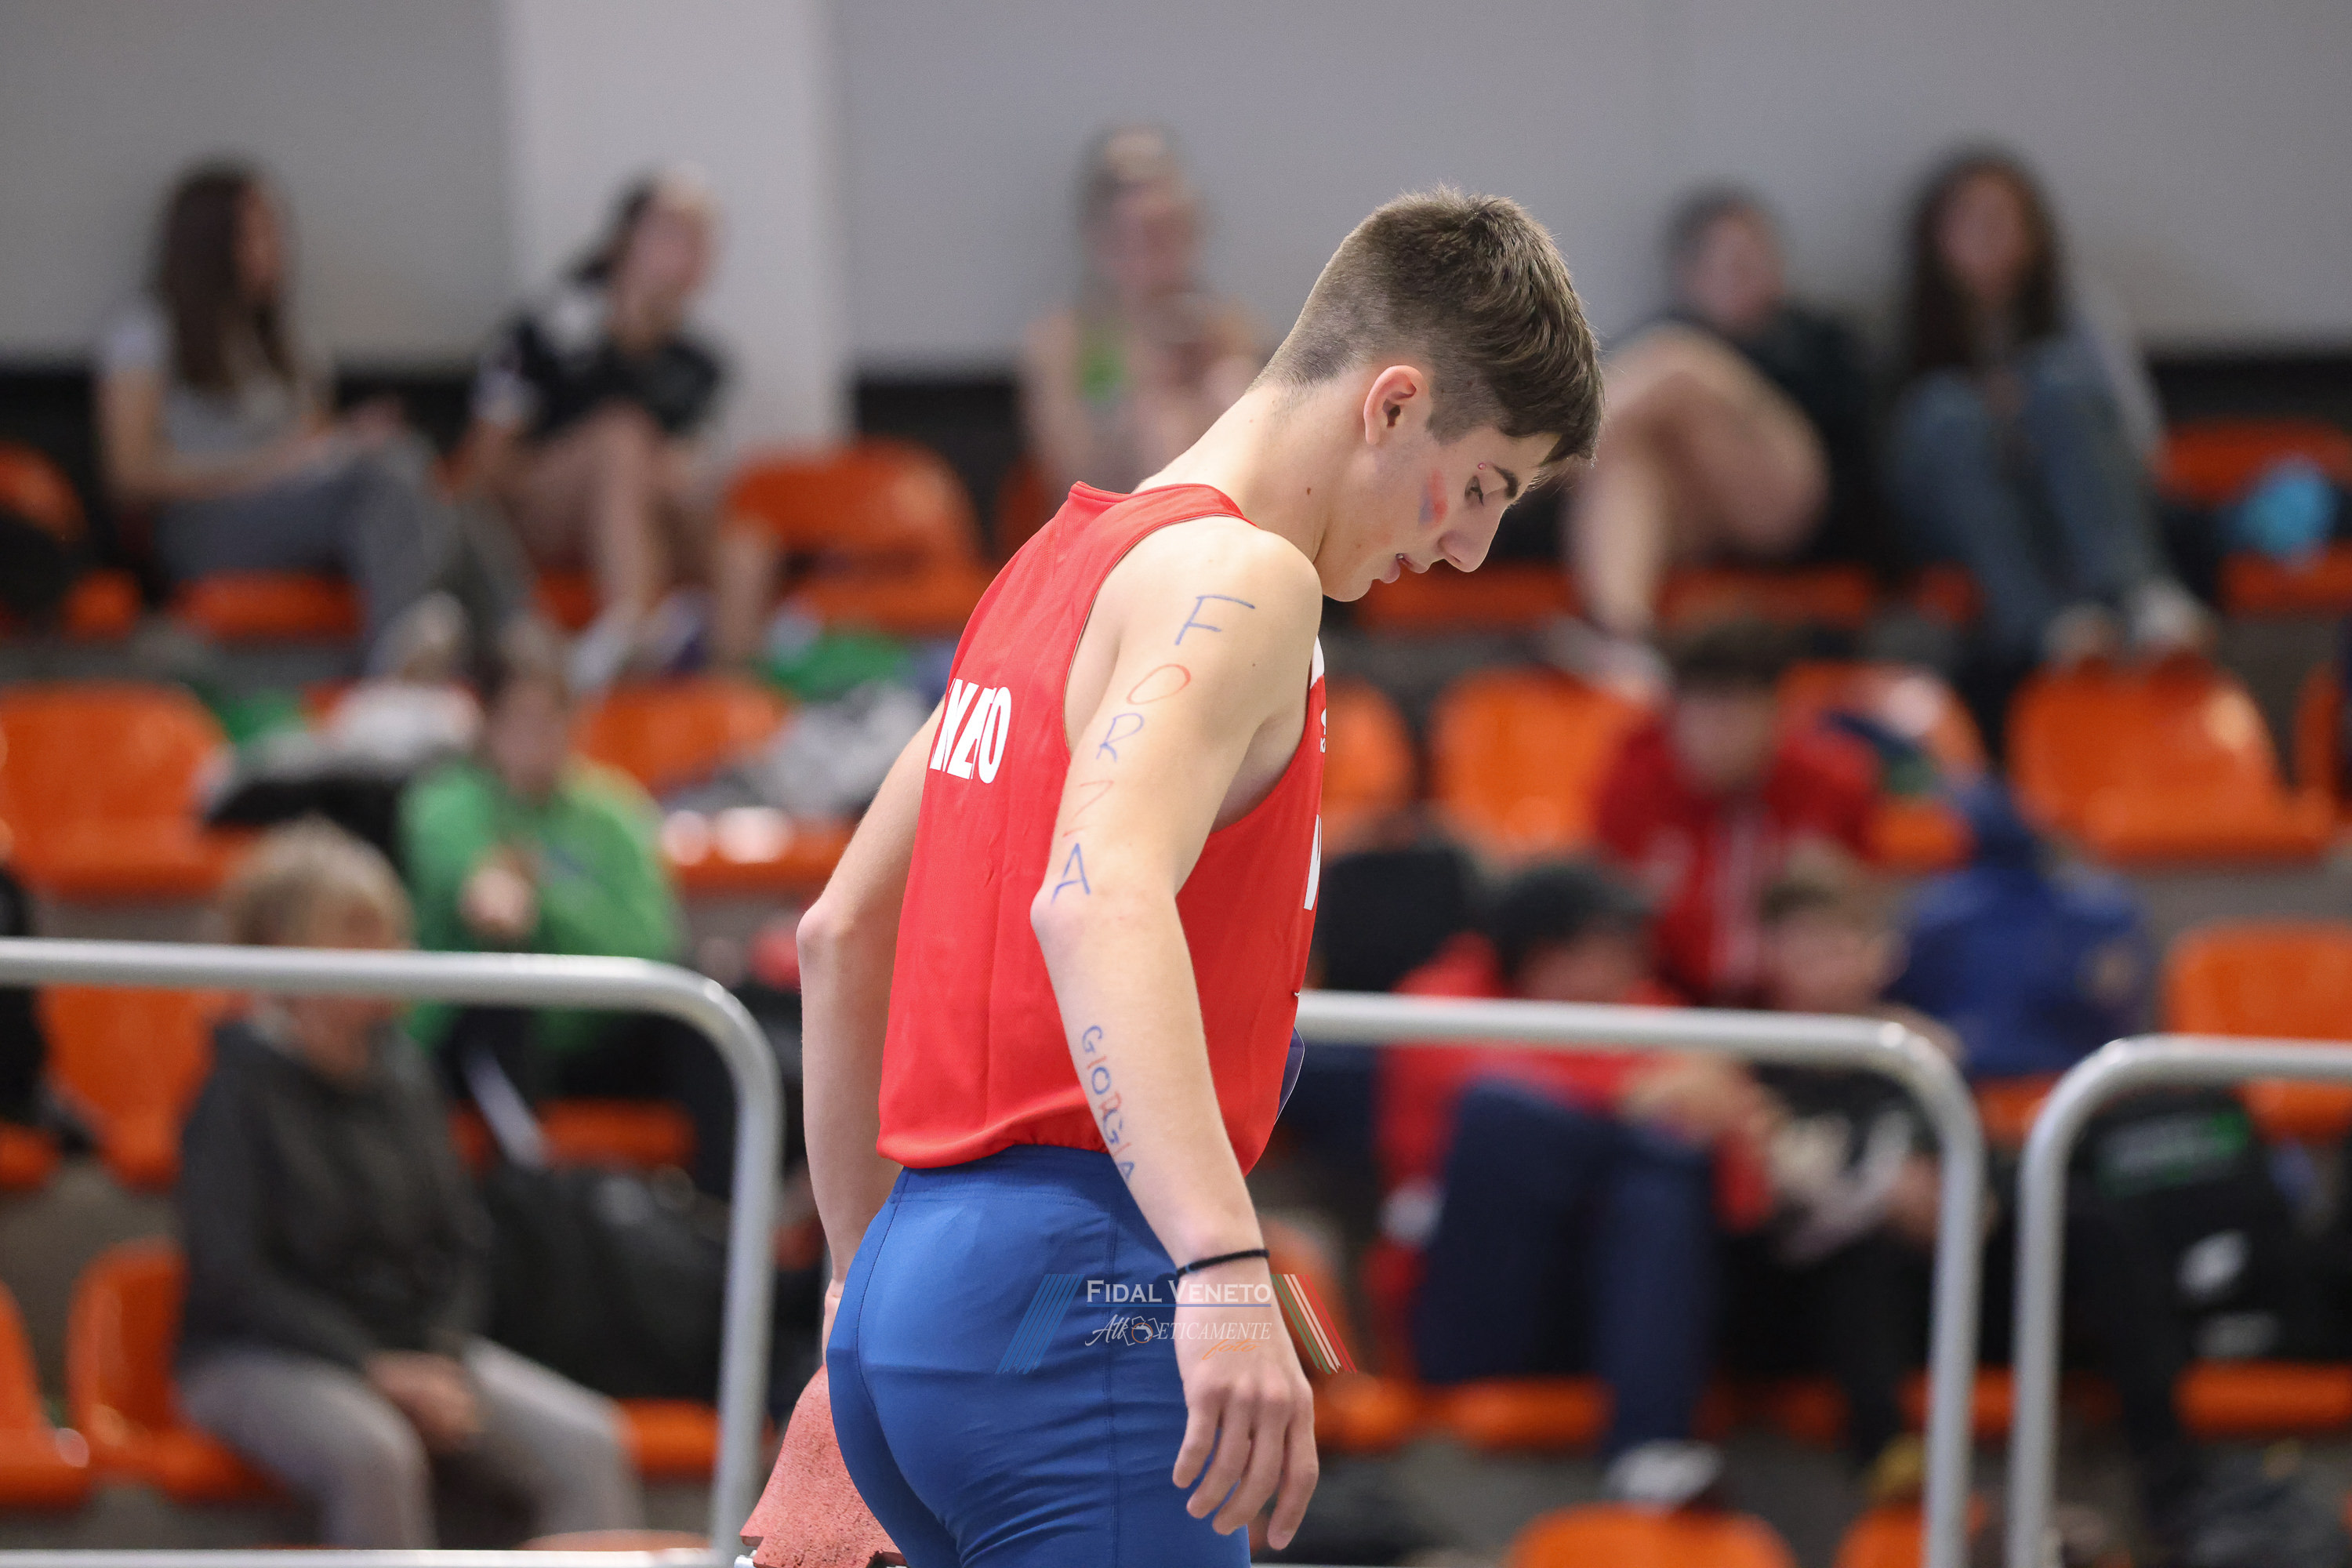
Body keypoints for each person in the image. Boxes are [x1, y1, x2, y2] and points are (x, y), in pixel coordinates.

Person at [794, 189, 1600, 1562]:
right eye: (1481, 487)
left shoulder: (1050, 567)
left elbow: (842, 933)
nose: (1468, 548)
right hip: (1080, 1297)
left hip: (907, 1306)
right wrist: (1225, 1268)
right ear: (1393, 402)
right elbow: (1094, 894)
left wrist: (856, 1296)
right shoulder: (1249, 580)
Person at [176, 822, 641, 1547]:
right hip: (261, 1356)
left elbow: (461, 1242)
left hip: (417, 1350)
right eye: (357, 932)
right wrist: (374, 1370)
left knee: (587, 1440)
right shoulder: (232, 1092)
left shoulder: (406, 1076)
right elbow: (235, 1278)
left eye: (390, 931)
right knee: (376, 1455)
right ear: (283, 946)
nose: (389, 953)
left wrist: (437, 1356)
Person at [1380, 862, 1769, 1508]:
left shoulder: (1650, 1009)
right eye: (1614, 944)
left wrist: (1689, 1120)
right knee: (1501, 1114)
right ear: (1546, 956)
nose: (1639, 961)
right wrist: (1634, 1100)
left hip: (1604, 1309)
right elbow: (1481, 1093)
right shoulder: (1437, 1001)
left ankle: (1649, 1451)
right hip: (1475, 1306)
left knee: (1658, 1189)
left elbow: (1744, 1194)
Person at [96, 162, 502, 672]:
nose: (275, 247)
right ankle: (402, 662)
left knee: (427, 479)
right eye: (255, 233)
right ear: (207, 244)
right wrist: (268, 466)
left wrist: (348, 440)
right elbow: (130, 475)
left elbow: (315, 449)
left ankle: (519, 653)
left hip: (303, 513)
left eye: (275, 231)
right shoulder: (146, 331)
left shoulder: (291, 344)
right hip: (203, 526)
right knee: (394, 477)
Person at [398, 622, 733, 1196]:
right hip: (483, 1039)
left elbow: (648, 942)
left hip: (598, 1032)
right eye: (520, 719)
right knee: (500, 996)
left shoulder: (614, 812)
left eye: (551, 717)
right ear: (487, 723)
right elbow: (491, 909)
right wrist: (531, 908)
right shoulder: (444, 804)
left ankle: (722, 1218)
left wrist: (543, 903)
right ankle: (534, 1204)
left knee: (704, 1014)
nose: (537, 737)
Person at [1889, 149, 2209, 673]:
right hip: (1968, 515)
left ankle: (2139, 595)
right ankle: (2044, 625)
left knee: (2058, 379)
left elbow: (2138, 437)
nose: (1985, 234)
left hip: (2071, 497)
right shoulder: (1901, 320)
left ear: (2034, 232)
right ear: (1934, 234)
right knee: (1946, 409)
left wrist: (2031, 415)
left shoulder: (2075, 308)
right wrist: (1995, 421)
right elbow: (1901, 463)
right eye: (1968, 218)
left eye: (2000, 218)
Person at [1558, 189, 1881, 688]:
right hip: (1692, 516)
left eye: (1753, 261)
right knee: (1626, 457)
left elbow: (1852, 453)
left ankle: (1516, 470)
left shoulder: (1820, 340)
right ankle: (1623, 637)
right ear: (1688, 276)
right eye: (1724, 265)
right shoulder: (1651, 338)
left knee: (1681, 365)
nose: (1742, 278)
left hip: (1791, 506)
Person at [1730, 862, 1947, 1500]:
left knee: (2080, 1221)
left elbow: (1953, 1207)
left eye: (1837, 943)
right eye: (1804, 947)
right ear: (1770, 954)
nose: (1822, 965)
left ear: (1880, 954)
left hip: (1909, 1289)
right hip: (1779, 1297)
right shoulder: (1736, 1058)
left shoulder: (1921, 1062)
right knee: (1852, 1250)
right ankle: (1884, 1451)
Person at [466, 169, 724, 691]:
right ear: (626, 240)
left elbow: (684, 478)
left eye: (700, 240)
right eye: (672, 234)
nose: (688, 252)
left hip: (639, 517)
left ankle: (736, 698)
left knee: (745, 546)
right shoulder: (549, 330)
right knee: (621, 439)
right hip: (533, 516)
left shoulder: (700, 367)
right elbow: (485, 463)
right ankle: (628, 629)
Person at [1595, 619, 1877, 1004]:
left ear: (1775, 713)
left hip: (1798, 1006)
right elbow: (1614, 928)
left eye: (1733, 717)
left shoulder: (1831, 783)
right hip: (1671, 1006)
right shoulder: (1631, 787)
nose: (1715, 737)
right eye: (1701, 715)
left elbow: (1860, 914)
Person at [1020, 126, 1263, 500]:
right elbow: (1069, 475)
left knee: (1229, 384)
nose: (1145, 255)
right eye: (1129, 236)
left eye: (1162, 234)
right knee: (1159, 419)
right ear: (1098, 238)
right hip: (1113, 518)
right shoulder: (1065, 343)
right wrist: (1145, 386)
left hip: (1223, 514)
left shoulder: (1226, 328)